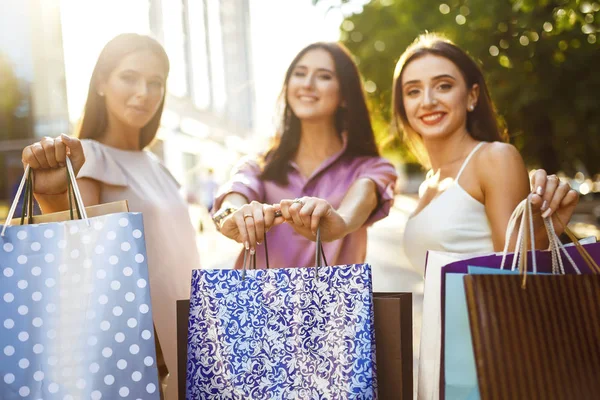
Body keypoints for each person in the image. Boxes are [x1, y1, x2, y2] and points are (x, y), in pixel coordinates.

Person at [391, 33, 579, 399]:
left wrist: (544, 234)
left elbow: (515, 276)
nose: (427, 101)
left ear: (472, 95)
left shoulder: (494, 157)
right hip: (441, 357)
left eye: (443, 86)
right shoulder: (429, 184)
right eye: (413, 91)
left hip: (496, 363)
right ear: (402, 105)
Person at [21, 33, 199, 400]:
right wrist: (49, 194)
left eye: (155, 83)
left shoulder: (157, 164)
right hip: (143, 353)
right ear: (101, 82)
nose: (144, 93)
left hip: (189, 339)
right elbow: (78, 255)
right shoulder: (89, 157)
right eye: (129, 77)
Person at [212, 42, 398, 268]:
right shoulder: (259, 165)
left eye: (324, 76)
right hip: (258, 302)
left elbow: (366, 191)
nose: (308, 84)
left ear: (345, 95)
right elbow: (238, 191)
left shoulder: (372, 168)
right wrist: (234, 215)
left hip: (338, 303)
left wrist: (340, 223)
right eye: (300, 74)